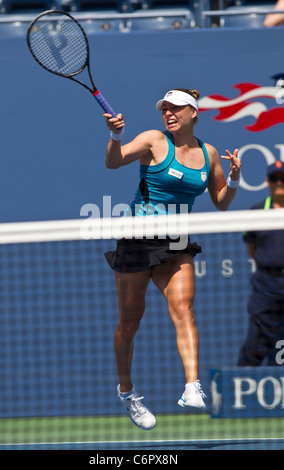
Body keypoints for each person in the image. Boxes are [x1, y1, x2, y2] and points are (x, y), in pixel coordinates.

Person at [103, 88, 241, 430]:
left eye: (176, 108)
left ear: (194, 112)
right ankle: (127, 391)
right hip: (137, 237)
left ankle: (192, 386)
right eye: (164, 108)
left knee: (184, 307)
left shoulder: (208, 154)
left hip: (176, 239)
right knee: (129, 323)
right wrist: (115, 135)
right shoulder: (153, 140)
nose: (168, 113)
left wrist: (235, 176)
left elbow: (221, 201)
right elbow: (114, 161)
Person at [238, 160, 284, 366]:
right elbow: (252, 248)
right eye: (275, 179)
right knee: (256, 343)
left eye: (283, 179)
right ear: (268, 182)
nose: (280, 183)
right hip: (267, 285)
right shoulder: (257, 211)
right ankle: (237, 393)